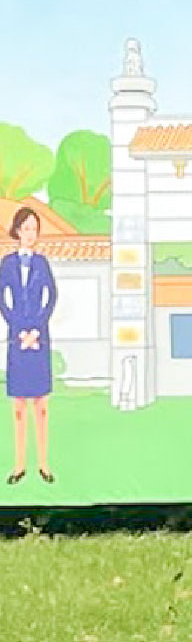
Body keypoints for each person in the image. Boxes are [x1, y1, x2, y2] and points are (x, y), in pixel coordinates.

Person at [4, 206, 54, 483]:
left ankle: (44, 464)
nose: (30, 234)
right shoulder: (8, 263)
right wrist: (19, 330)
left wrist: (36, 329)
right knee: (19, 407)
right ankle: (19, 465)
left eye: (34, 229)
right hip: (16, 338)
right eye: (26, 229)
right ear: (17, 231)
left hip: (40, 337)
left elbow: (51, 297)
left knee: (42, 405)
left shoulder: (43, 263)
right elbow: (3, 300)